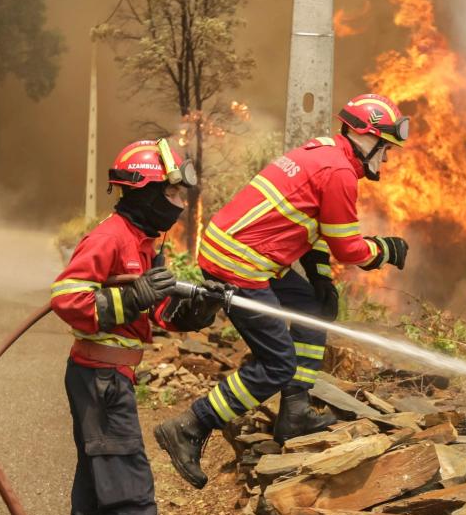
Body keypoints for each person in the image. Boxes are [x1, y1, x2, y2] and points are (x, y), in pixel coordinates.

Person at [153, 94, 413, 488]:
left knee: (312, 308)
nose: (387, 157)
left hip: (242, 251)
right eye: (386, 147)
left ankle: (295, 412)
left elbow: (314, 224)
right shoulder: (339, 172)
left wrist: (321, 278)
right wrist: (386, 250)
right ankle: (190, 425)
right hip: (241, 264)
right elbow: (350, 249)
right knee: (277, 364)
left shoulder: (323, 153)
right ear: (367, 137)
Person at [48, 138, 226, 515]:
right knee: (132, 495)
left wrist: (198, 309)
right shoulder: (111, 237)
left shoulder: (144, 241)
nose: (178, 202)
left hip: (106, 377)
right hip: (101, 381)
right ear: (144, 191)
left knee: (95, 489)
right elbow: (67, 297)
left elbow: (156, 310)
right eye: (170, 192)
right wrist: (128, 301)